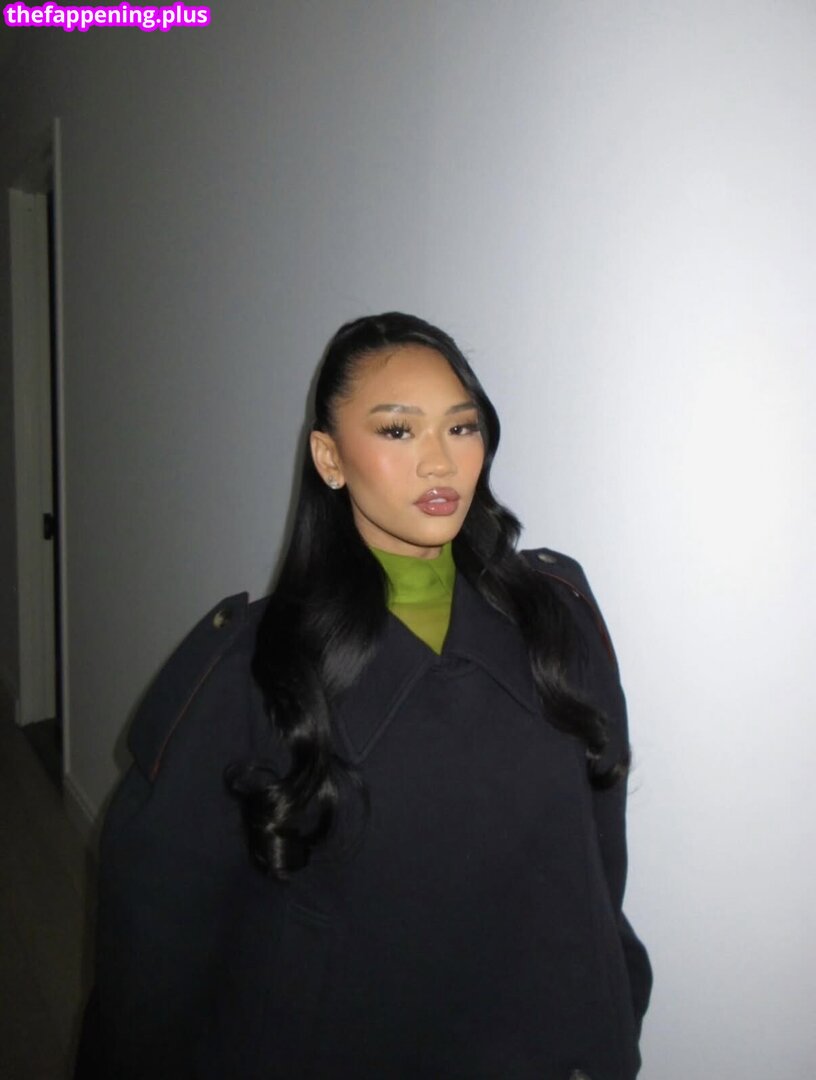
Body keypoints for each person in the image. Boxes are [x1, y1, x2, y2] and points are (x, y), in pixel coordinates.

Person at [75, 312, 652, 1079]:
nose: (440, 462)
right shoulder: (249, 670)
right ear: (330, 457)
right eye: (398, 431)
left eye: (461, 427)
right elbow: (157, 940)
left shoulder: (556, 616)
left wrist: (614, 1008)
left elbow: (597, 862)